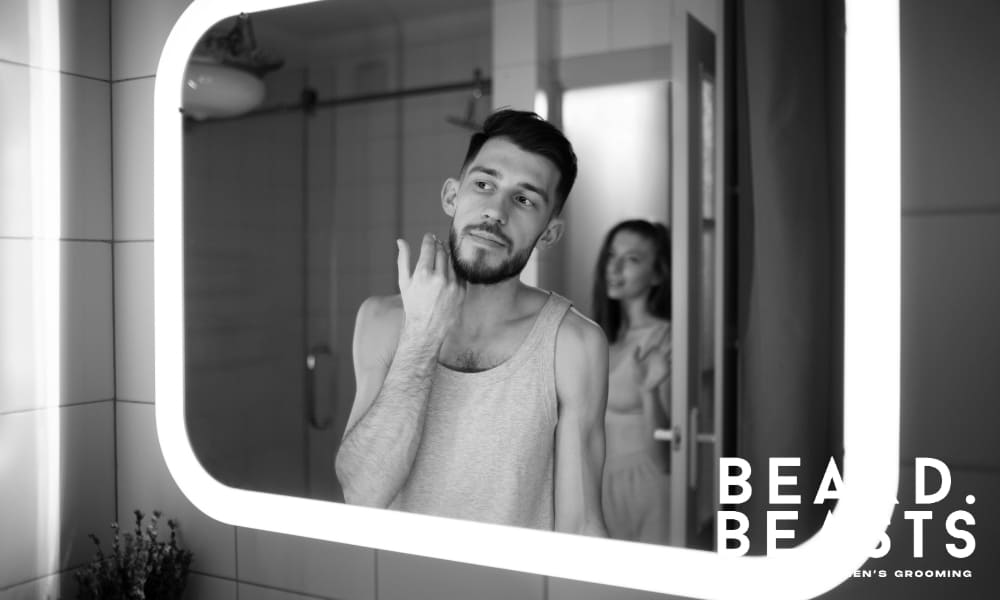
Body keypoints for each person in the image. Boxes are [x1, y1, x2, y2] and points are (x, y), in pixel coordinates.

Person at [334, 109, 608, 536]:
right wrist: (422, 335)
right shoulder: (382, 320)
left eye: (524, 199)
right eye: (484, 185)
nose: (495, 212)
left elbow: (582, 525)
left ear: (550, 233)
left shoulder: (573, 344)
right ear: (451, 196)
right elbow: (361, 494)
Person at [592, 219, 672, 544]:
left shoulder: (666, 338)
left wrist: (648, 391)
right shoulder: (599, 337)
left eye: (632, 259)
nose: (615, 267)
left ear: (657, 274)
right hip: (602, 482)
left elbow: (667, 456)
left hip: (648, 485)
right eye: (612, 255)